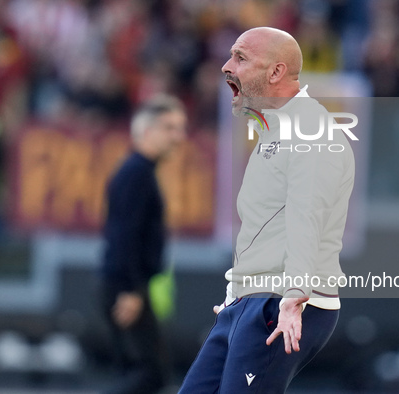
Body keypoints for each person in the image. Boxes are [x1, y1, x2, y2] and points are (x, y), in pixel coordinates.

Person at [178, 27, 356, 393]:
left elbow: (308, 215)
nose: (227, 66)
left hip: (283, 304)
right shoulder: (274, 131)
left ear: (275, 72)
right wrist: (236, 294)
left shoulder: (310, 130)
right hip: (250, 301)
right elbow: (266, 227)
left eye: (240, 58)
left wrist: (294, 296)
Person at [100, 95, 187, 394]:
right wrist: (131, 289)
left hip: (126, 285)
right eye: (170, 128)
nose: (178, 137)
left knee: (137, 372)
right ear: (147, 131)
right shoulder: (136, 174)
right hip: (126, 288)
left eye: (180, 128)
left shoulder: (138, 172)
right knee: (149, 375)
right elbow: (125, 236)